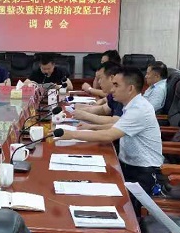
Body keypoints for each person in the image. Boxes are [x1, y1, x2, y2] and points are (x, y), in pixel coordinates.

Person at [60, 66, 163, 206]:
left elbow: (109, 135)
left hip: (143, 173)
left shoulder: (139, 109)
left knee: (106, 201)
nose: (112, 89)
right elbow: (117, 126)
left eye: (116, 85)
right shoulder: (132, 105)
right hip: (128, 165)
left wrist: (71, 134)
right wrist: (92, 127)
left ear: (130, 88)